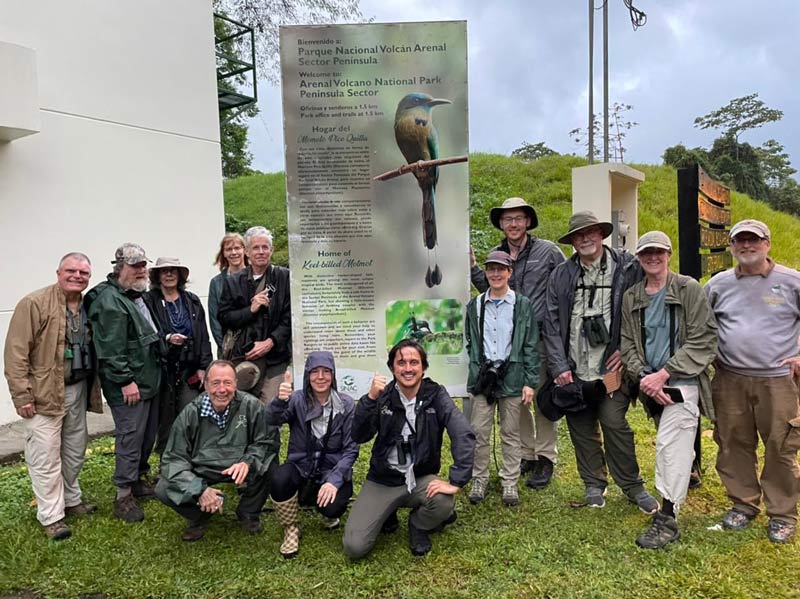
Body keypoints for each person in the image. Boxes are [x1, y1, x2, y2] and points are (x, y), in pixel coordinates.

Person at [543, 211, 658, 512]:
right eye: (578, 235)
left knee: (614, 422)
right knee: (581, 426)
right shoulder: (562, 275)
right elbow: (552, 324)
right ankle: (593, 483)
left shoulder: (627, 267)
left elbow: (644, 308)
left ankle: (632, 486)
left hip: (612, 367)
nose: (585, 239)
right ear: (572, 241)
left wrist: (626, 347)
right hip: (575, 366)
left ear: (601, 234)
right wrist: (559, 367)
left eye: (590, 232)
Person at [620, 231, 718, 549]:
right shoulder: (633, 296)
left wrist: (664, 374)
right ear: (638, 258)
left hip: (683, 382)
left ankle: (667, 517)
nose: (653, 258)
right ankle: (678, 487)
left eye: (658, 252)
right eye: (646, 253)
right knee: (673, 442)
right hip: (652, 384)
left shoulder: (689, 289)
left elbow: (704, 339)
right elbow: (628, 344)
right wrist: (645, 377)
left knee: (669, 447)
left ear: (669, 254)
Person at [705, 219, 800, 543]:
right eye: (740, 241)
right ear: (731, 246)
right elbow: (703, 325)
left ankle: (782, 514)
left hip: (778, 381)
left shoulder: (791, 281)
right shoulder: (718, 284)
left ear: (767, 244)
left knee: (781, 447)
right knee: (732, 443)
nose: (746, 246)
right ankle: (743, 505)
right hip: (730, 378)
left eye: (753, 241)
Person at [343, 339, 475, 559]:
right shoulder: (383, 396)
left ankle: (419, 525)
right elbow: (359, 435)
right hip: (383, 480)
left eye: (414, 362)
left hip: (419, 477)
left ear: (423, 367)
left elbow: (462, 432)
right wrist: (370, 399)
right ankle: (388, 512)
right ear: (392, 368)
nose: (408, 368)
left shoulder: (436, 395)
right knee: (354, 547)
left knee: (443, 501)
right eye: (401, 362)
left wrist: (456, 480)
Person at [4, 252, 104, 539]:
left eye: (83, 273)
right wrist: (21, 395)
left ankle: (71, 499)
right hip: (42, 394)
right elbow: (16, 353)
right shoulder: (34, 303)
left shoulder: (88, 305)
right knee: (44, 455)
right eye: (71, 271)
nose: (77, 276)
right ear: (59, 272)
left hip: (77, 389)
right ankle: (52, 516)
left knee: (74, 450)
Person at [470, 197, 564, 489]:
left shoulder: (548, 252)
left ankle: (546, 456)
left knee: (542, 396)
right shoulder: (496, 254)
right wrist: (473, 267)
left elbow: (564, 284)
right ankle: (526, 453)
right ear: (500, 223)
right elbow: (491, 288)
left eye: (518, 218)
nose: (513, 224)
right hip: (508, 342)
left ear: (528, 221)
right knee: (517, 399)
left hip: (543, 337)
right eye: (507, 219)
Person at [155, 360, 280, 541]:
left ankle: (249, 511)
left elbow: (268, 441)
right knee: (163, 488)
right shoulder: (190, 413)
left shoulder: (252, 406)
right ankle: (199, 515)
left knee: (270, 465)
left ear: (236, 384)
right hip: (202, 469)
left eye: (228, 383)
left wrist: (248, 461)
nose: (222, 389)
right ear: (205, 385)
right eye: (215, 383)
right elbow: (174, 459)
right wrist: (198, 489)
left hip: (240, 466)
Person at [85, 243, 162, 523]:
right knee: (130, 436)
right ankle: (123, 495)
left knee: (145, 435)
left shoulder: (131, 294)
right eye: (135, 265)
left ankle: (139, 480)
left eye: (143, 264)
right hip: (131, 384)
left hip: (147, 379)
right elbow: (111, 349)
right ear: (120, 267)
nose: (141, 269)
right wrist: (125, 381)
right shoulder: (109, 301)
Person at [266, 351, 359, 558]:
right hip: (301, 467)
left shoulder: (346, 404)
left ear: (333, 375)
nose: (320, 377)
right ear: (307, 375)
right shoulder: (296, 399)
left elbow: (351, 449)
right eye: (314, 371)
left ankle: (327, 512)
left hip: (329, 470)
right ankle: (291, 528)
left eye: (326, 371)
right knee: (279, 478)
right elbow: (272, 420)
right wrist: (280, 401)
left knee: (333, 507)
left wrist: (334, 481)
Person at [466, 250, 539, 507]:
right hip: (484, 378)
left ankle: (510, 481)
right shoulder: (474, 306)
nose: (496, 274)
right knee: (479, 431)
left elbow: (530, 344)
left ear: (510, 272)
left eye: (501, 269)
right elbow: (470, 341)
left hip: (513, 377)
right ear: (485, 273)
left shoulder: (522, 305)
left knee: (511, 431)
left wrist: (530, 381)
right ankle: (480, 478)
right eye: (491, 269)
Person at [144, 257, 213, 454]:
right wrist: (166, 337)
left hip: (189, 369)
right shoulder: (148, 301)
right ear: (157, 276)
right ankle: (167, 466)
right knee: (164, 420)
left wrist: (203, 368)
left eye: (173, 270)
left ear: (180, 275)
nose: (168, 274)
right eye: (164, 271)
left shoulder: (191, 300)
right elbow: (145, 331)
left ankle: (189, 461)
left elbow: (203, 335)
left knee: (190, 415)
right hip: (162, 369)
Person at [218, 226, 291, 403]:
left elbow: (290, 317)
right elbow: (224, 318)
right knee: (244, 410)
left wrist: (270, 341)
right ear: (247, 252)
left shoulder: (285, 277)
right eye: (256, 248)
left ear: (271, 250)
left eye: (265, 247)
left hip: (275, 359)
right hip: (244, 359)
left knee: (271, 411)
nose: (261, 252)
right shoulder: (233, 282)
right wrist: (250, 310)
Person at [208, 233, 248, 356]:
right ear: (224, 253)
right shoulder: (216, 282)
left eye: (237, 248)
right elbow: (214, 319)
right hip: (227, 348)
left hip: (253, 347)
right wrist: (225, 346)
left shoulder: (256, 277)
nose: (233, 252)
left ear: (244, 250)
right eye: (229, 249)